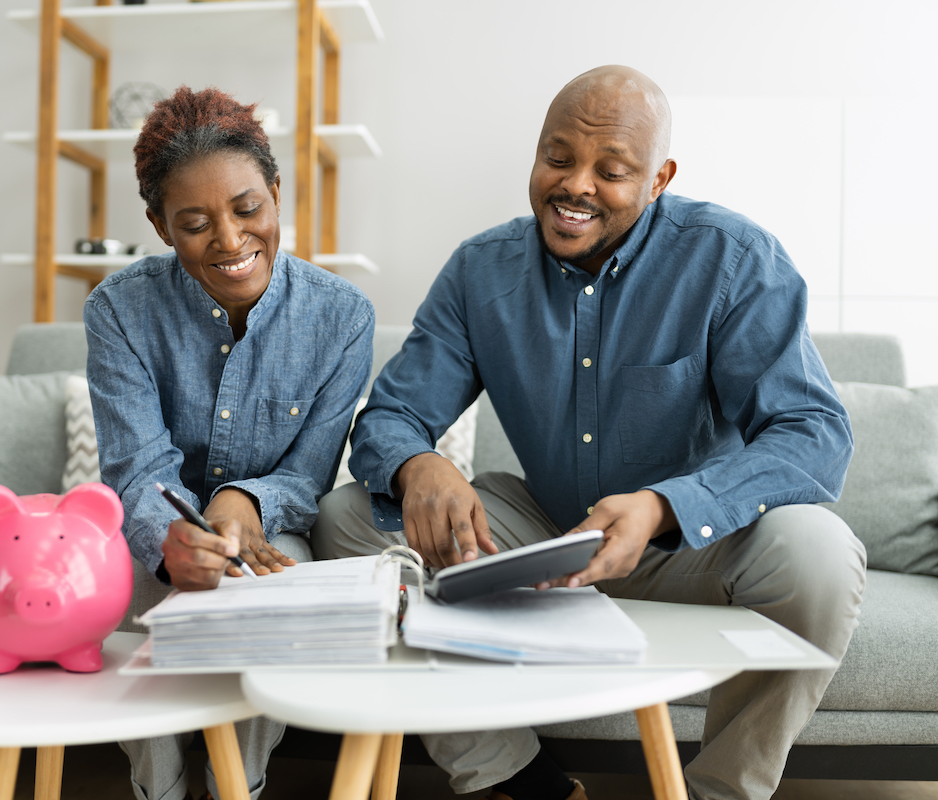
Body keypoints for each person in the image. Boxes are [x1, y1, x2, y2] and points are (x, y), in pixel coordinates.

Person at [312, 65, 866, 800]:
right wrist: (419, 464)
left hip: (690, 545)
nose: (576, 185)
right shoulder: (481, 271)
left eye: (612, 170)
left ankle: (720, 792)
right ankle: (518, 779)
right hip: (548, 527)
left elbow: (813, 431)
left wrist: (666, 505)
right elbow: (390, 417)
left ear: (660, 178)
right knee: (345, 518)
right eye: (559, 157)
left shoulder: (733, 259)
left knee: (820, 555)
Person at [85, 85, 374, 800]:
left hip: (272, 531)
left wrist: (245, 503)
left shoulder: (343, 317)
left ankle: (235, 789)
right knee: (139, 587)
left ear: (276, 193)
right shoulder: (117, 311)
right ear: (159, 226)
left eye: (248, 209)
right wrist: (169, 539)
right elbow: (136, 471)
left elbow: (308, 475)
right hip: (158, 527)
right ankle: (159, 791)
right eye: (194, 223)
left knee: (268, 606)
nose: (230, 239)